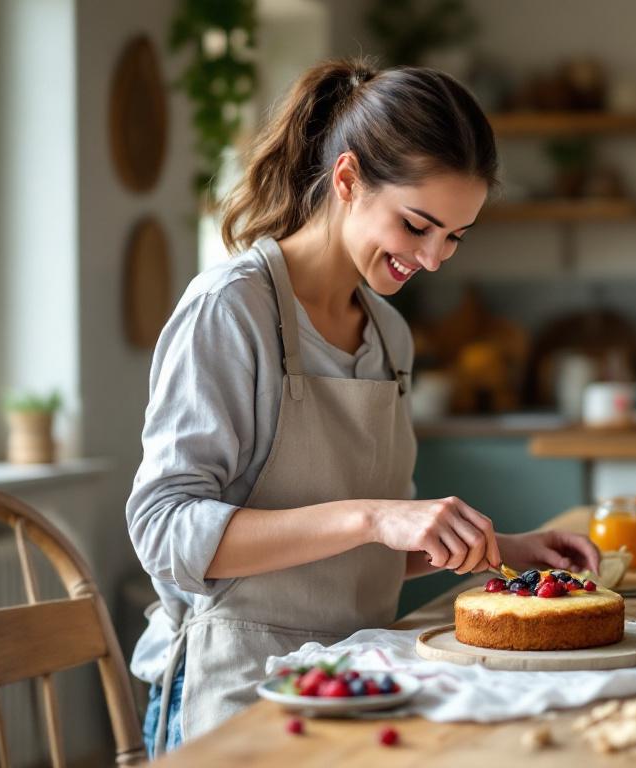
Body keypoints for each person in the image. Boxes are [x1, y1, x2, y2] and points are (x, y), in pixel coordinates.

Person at [127, 60, 600, 755]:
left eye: (454, 237)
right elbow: (164, 533)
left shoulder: (388, 334)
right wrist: (376, 514)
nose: (434, 258)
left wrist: (499, 551)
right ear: (347, 180)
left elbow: (366, 554)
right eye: (418, 225)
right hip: (236, 696)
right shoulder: (232, 310)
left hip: (363, 680)